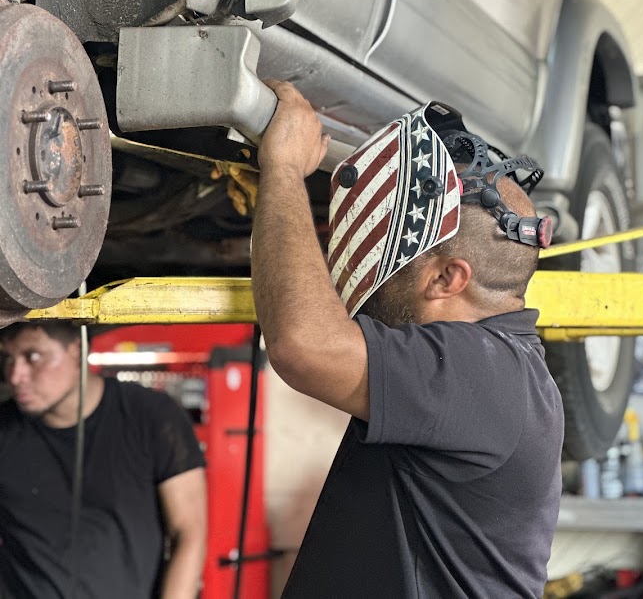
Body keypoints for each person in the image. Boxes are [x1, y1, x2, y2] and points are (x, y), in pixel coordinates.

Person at [252, 81, 564, 599]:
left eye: (394, 266)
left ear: (446, 279)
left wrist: (282, 168)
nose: (372, 288)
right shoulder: (504, 373)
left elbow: (301, 345)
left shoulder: (483, 375)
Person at [0, 320, 207, 599]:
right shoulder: (5, 429)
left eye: (33, 356)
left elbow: (188, 532)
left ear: (77, 350)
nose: (15, 376)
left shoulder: (151, 416)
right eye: (8, 358)